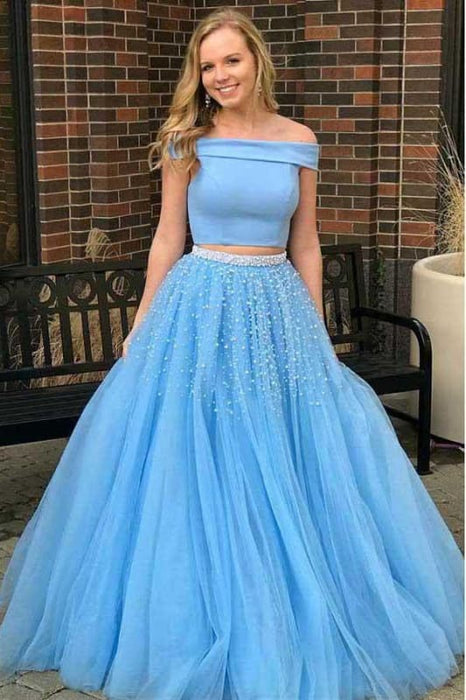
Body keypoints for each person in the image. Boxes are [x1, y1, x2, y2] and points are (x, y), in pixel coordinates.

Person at [0, 8, 463, 700]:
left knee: (284, 448)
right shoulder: (187, 140)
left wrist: (317, 328)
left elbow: (305, 241)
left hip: (276, 307)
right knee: (191, 450)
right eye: (208, 66)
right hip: (198, 305)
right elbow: (168, 237)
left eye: (231, 61)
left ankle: (294, 594)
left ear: (257, 61)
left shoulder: (299, 141)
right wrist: (142, 320)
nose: (219, 76)